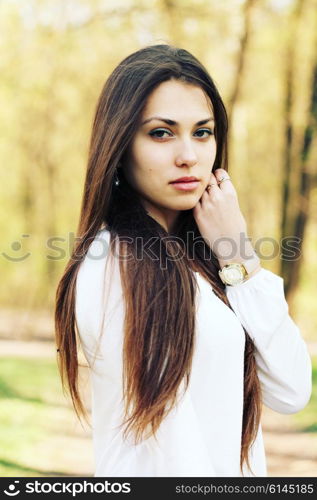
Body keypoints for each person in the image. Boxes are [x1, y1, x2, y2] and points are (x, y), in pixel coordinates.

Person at [55, 44, 312, 477]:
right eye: (161, 133)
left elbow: (291, 390)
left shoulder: (208, 262)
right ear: (120, 147)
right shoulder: (112, 265)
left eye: (202, 132)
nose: (188, 155)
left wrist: (239, 255)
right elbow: (170, 448)